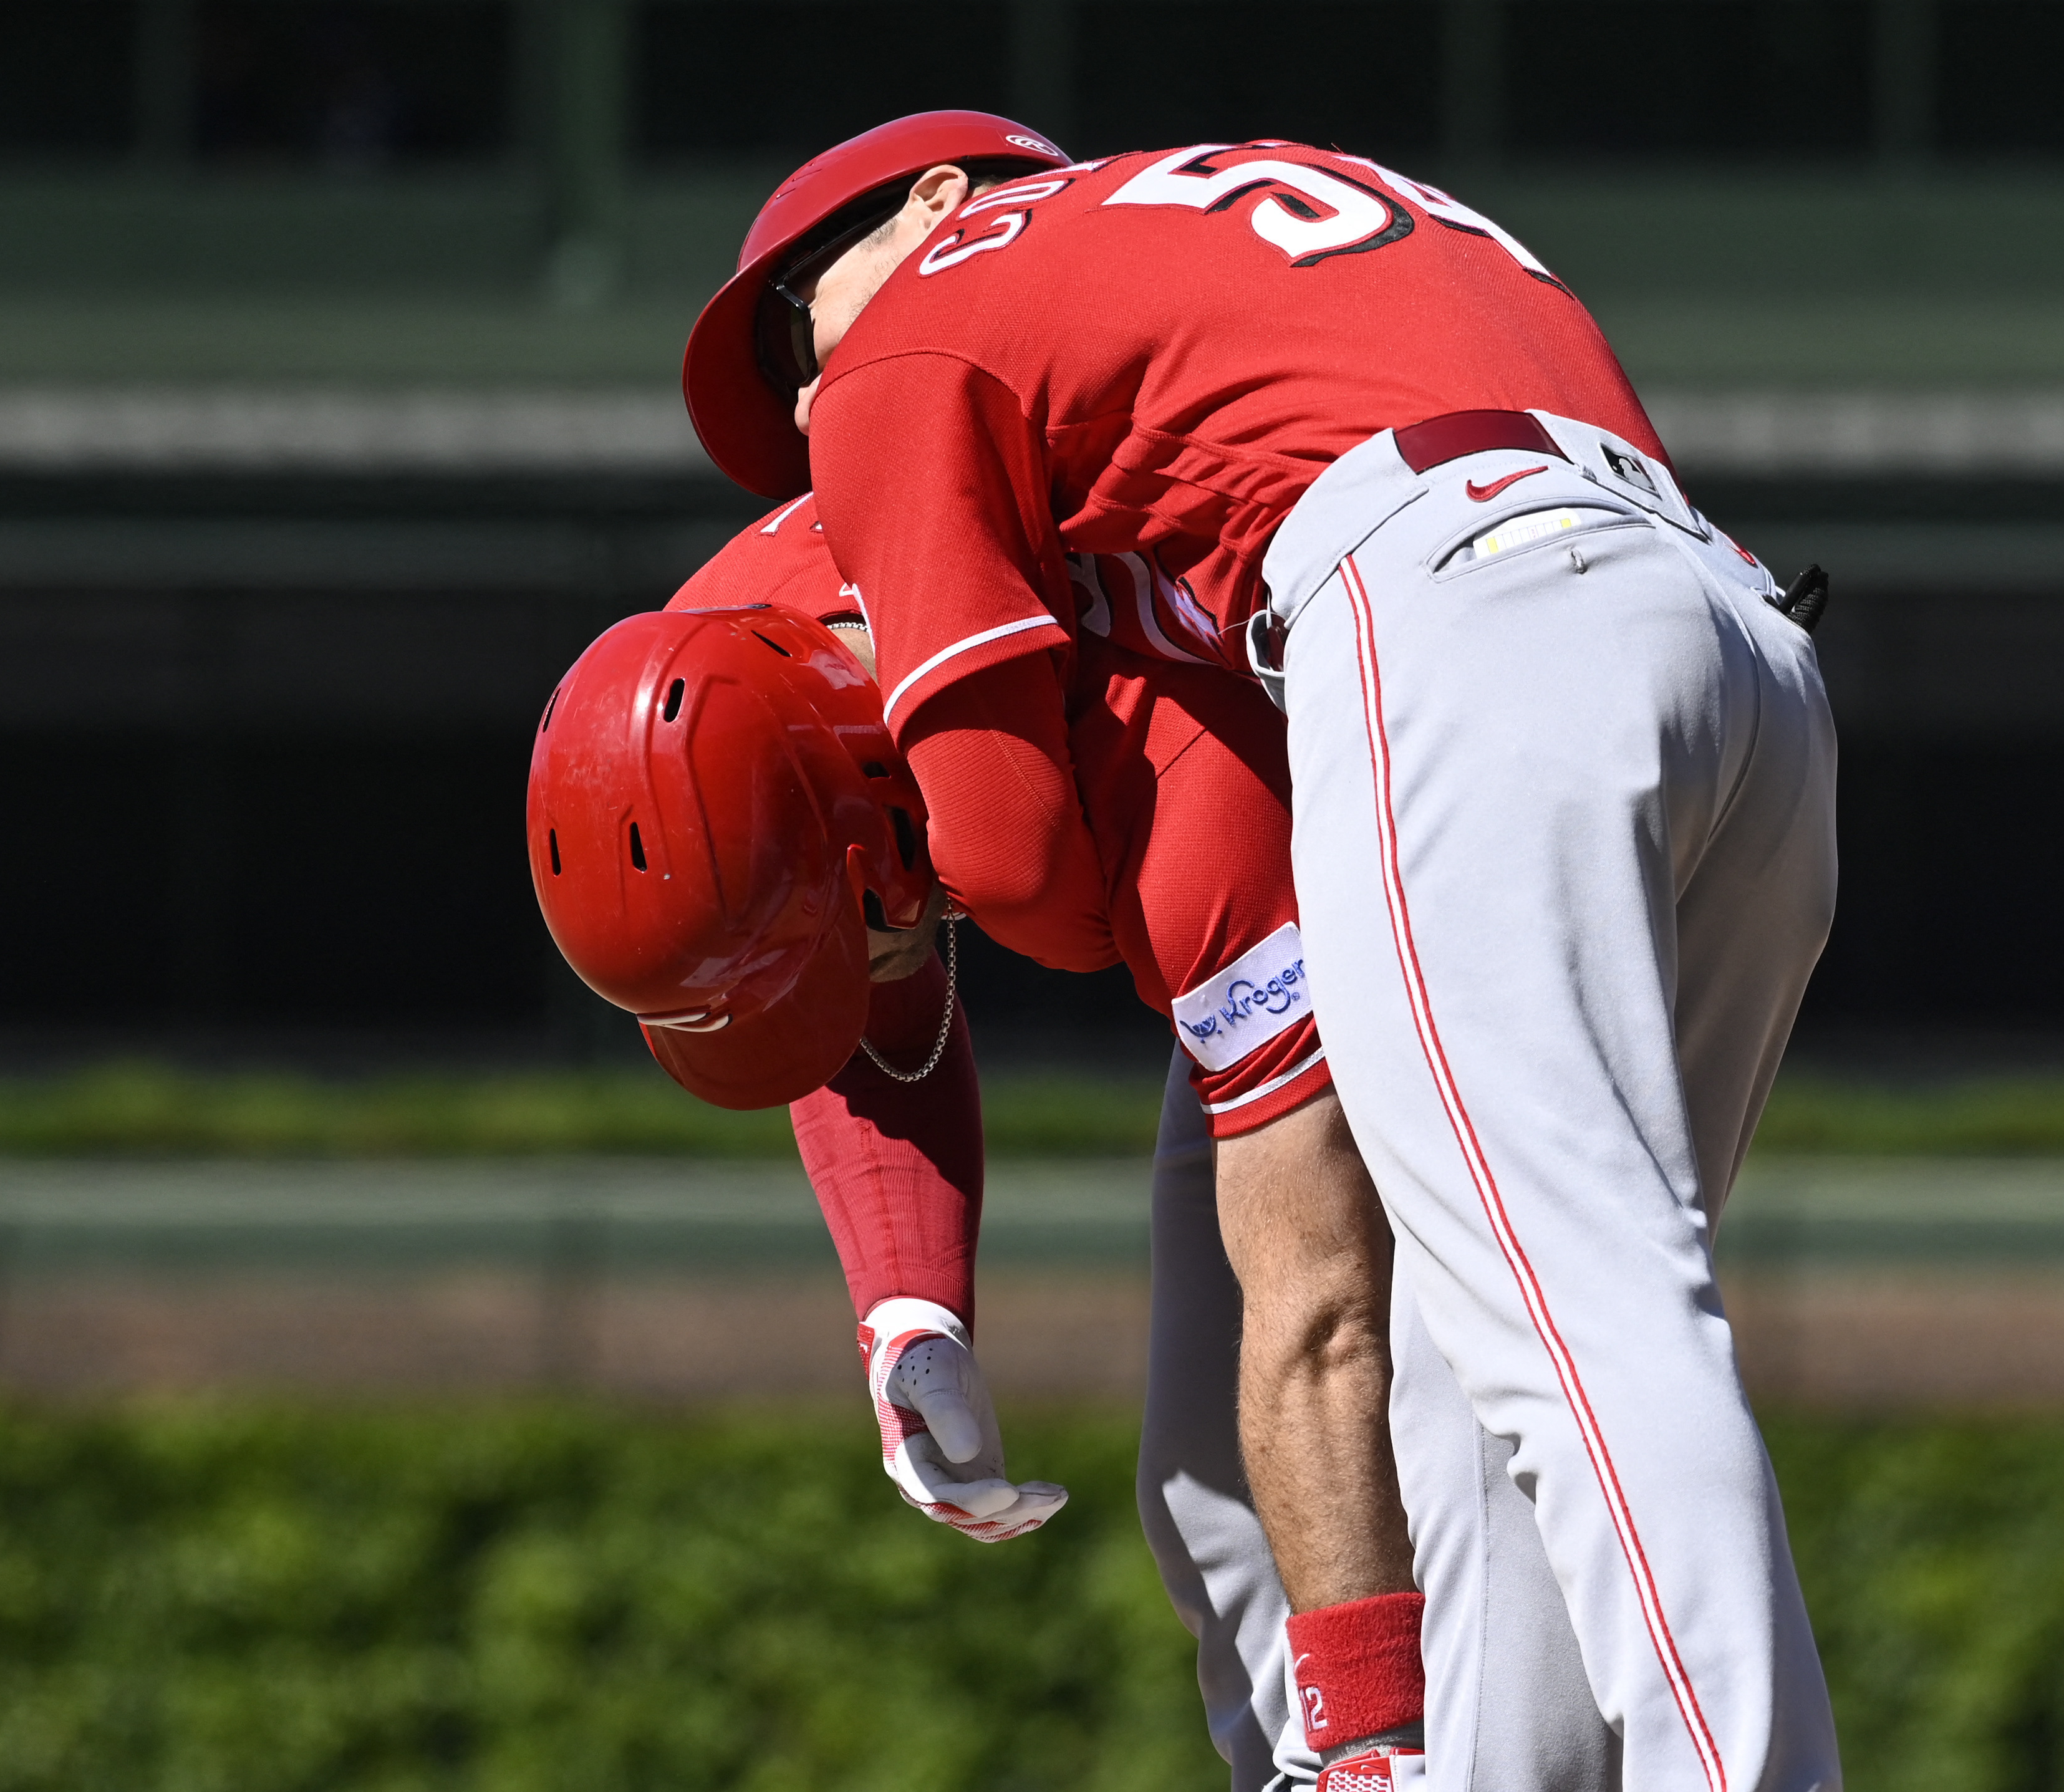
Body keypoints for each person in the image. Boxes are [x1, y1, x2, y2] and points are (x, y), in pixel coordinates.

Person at [678, 113, 1843, 1792]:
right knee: (1518, 1349)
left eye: (798, 328)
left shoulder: (930, 320)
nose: (803, 408)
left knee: (1558, 1321)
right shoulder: (1215, 247)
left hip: (1461, 600)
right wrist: (907, 1291)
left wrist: (1013, 887)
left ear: (940, 200)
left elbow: (1002, 858)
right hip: (1732, 643)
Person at [528, 499, 1616, 1790]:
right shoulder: (744, 681)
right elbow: (847, 979)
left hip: (1505, 773)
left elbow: (1318, 1299)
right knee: (1210, 1487)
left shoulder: (1038, 669)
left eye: (839, 946)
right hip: (1323, 842)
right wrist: (907, 1308)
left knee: (1459, 1447)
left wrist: (1367, 1714)